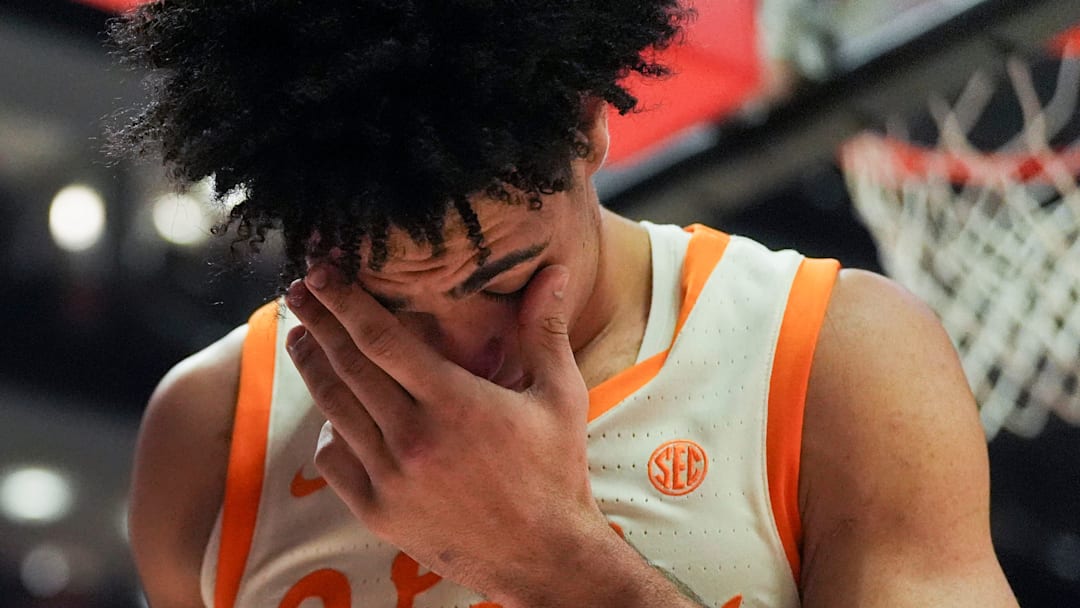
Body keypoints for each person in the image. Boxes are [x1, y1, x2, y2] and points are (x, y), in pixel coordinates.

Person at [112, 1, 1019, 606]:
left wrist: (552, 561)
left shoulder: (838, 356)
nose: (468, 356)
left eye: (506, 281)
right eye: (389, 306)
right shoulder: (210, 432)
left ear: (587, 126)